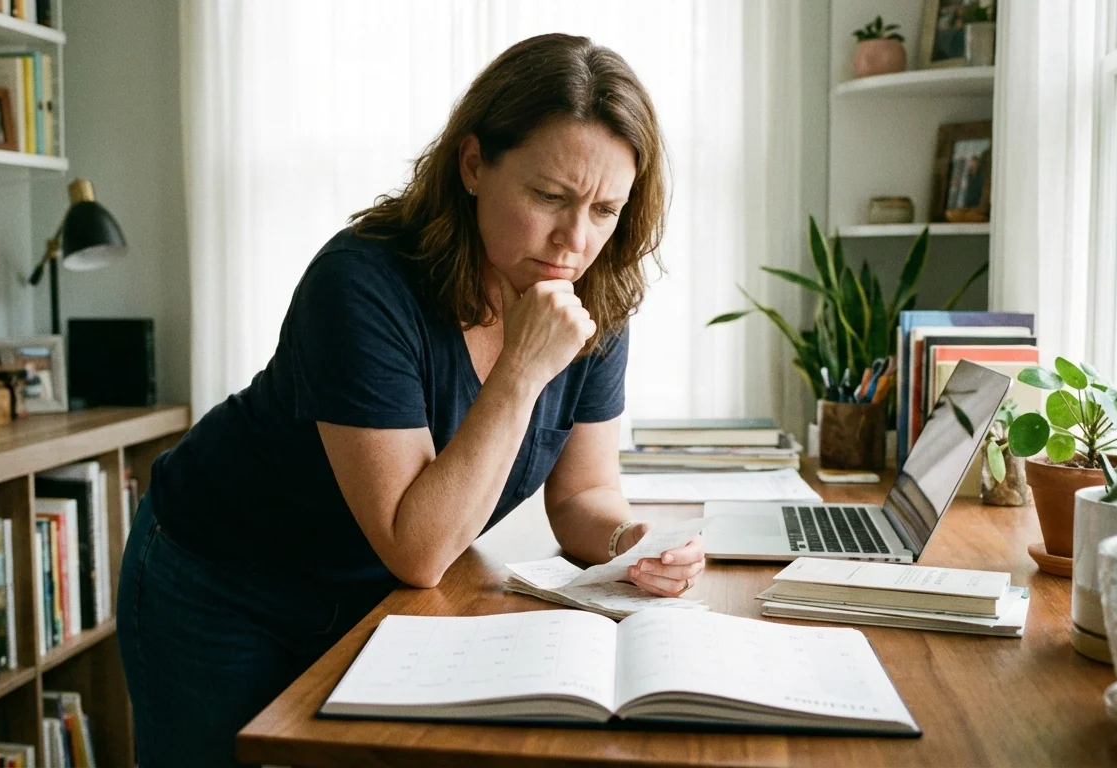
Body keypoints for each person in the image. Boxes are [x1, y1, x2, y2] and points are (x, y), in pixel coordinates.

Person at [115, 32, 705, 767]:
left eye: (605, 210)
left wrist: (630, 546)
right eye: (548, 196)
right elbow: (419, 546)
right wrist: (521, 371)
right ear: (472, 164)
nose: (574, 240)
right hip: (223, 582)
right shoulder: (360, 285)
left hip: (378, 595)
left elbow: (584, 491)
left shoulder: (595, 298)